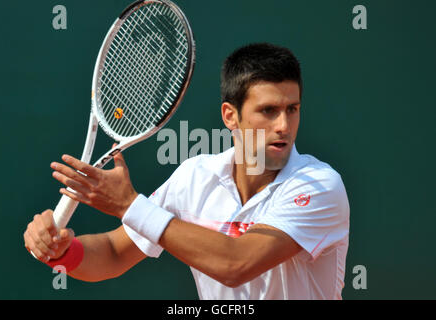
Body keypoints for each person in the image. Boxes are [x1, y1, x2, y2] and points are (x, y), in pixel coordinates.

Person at [23, 43, 350, 299]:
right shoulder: (194, 177)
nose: (284, 126)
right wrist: (63, 252)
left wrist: (129, 205)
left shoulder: (319, 186)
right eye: (268, 111)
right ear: (230, 116)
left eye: (292, 110)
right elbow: (112, 253)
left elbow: (235, 264)